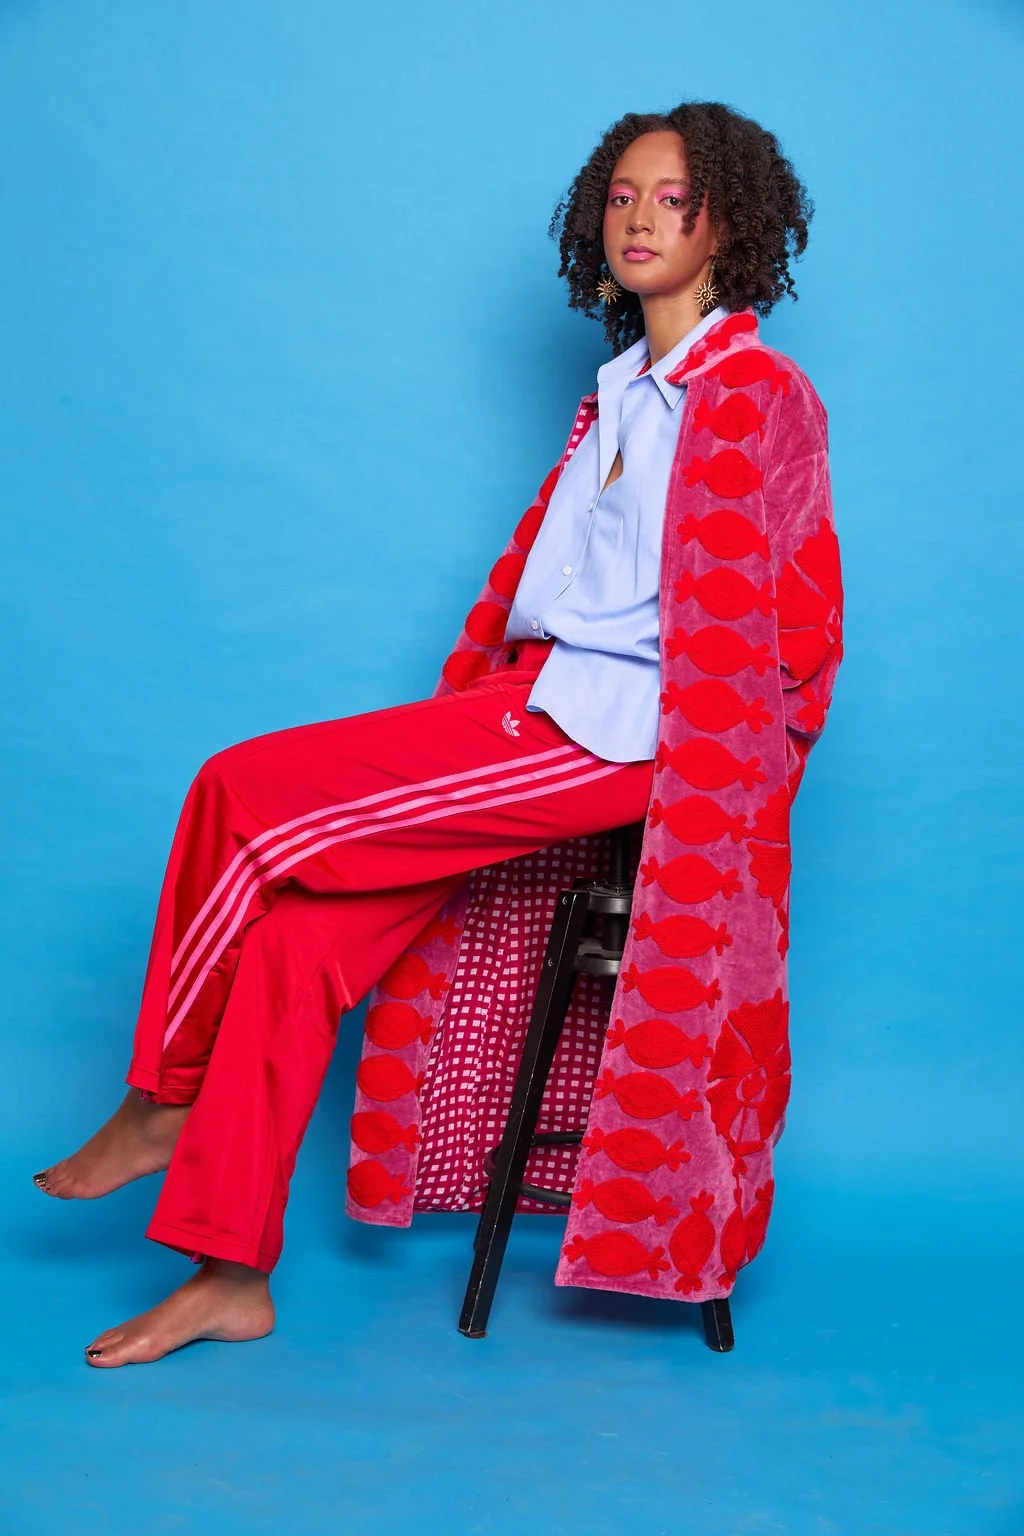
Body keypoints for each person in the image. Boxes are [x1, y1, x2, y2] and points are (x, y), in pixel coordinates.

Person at [34, 101, 841, 1366]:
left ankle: (157, 1100)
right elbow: (562, 589)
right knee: (297, 948)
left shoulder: (751, 395)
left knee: (242, 793)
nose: (638, 217)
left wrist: (711, 800)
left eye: (671, 198)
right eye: (621, 195)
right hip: (528, 710)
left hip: (608, 742)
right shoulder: (623, 392)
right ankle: (229, 1274)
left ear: (728, 224)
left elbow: (771, 633)